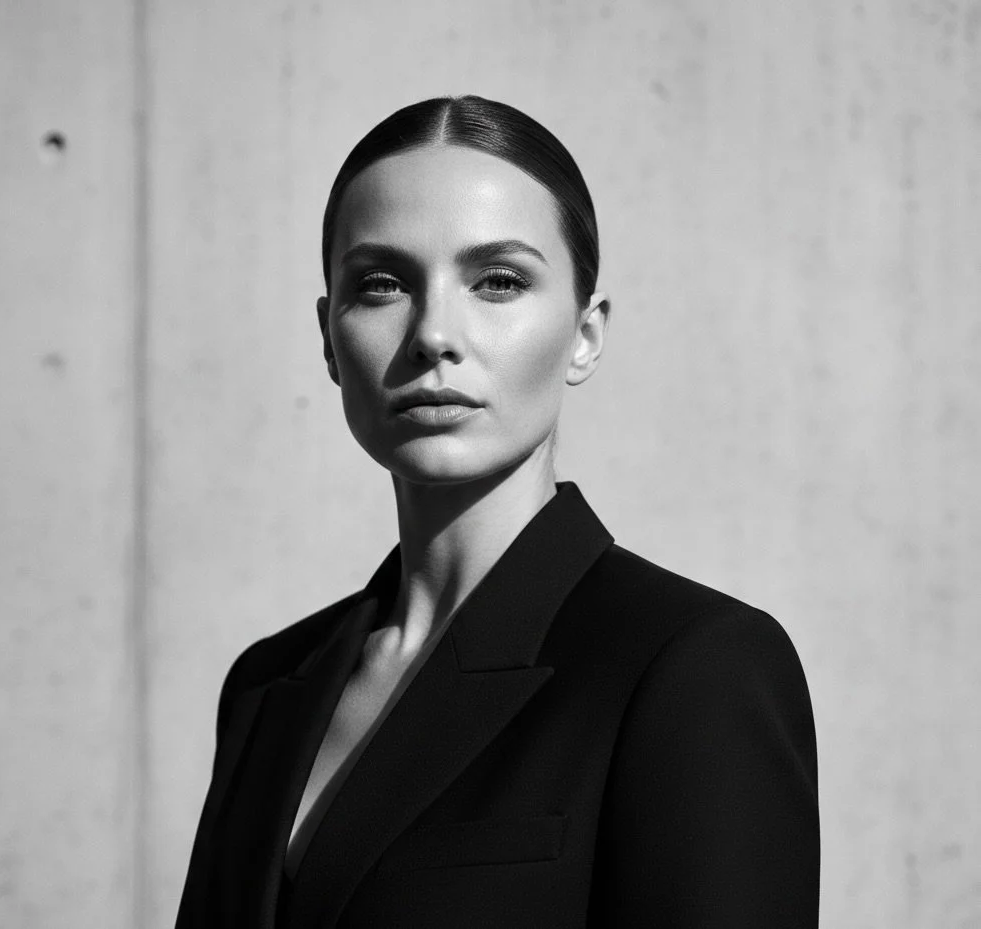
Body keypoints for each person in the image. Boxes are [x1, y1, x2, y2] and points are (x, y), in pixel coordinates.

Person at [174, 95, 819, 929]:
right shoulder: (267, 683)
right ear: (330, 338)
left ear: (585, 335)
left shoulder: (693, 666)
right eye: (380, 284)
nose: (435, 333)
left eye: (498, 281)